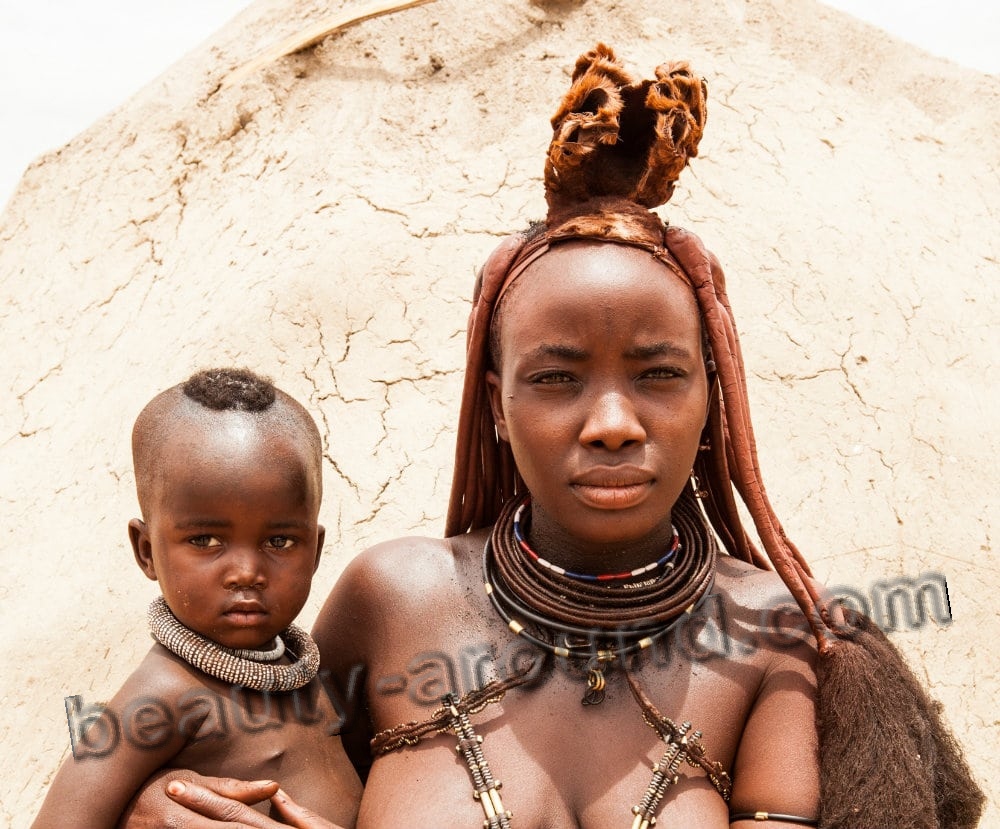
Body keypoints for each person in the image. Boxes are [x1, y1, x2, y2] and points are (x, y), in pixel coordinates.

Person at [120, 45, 984, 828]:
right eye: (557, 378)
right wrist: (160, 808)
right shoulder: (394, 598)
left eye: (658, 374)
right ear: (496, 401)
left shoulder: (770, 633)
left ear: (712, 396)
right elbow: (254, 763)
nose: (611, 424)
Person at [31, 367, 362, 829]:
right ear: (147, 552)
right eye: (206, 540)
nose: (247, 572)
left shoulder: (302, 670)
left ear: (316, 551)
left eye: (281, 542)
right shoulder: (161, 696)